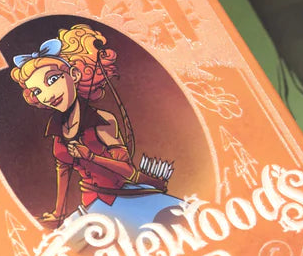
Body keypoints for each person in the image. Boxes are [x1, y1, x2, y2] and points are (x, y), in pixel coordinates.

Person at [10, 23, 181, 233]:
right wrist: (58, 214)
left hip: (121, 199)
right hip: (92, 205)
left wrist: (91, 157)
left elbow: (128, 171)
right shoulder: (57, 131)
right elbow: (63, 172)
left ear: (74, 75)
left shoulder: (102, 121)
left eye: (52, 80)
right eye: (37, 91)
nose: (48, 95)